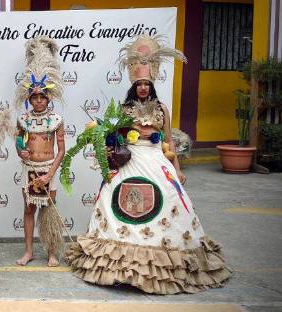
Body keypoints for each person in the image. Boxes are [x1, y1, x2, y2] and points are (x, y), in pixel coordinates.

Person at [65, 35, 231, 294]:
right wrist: (108, 152)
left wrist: (177, 169)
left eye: (146, 84)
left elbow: (168, 140)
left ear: (152, 85)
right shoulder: (124, 109)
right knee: (113, 198)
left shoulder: (162, 109)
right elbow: (115, 138)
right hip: (130, 161)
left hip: (156, 160)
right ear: (134, 86)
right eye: (139, 84)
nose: (143, 87)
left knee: (169, 200)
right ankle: (119, 266)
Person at [14, 39, 67, 267]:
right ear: (29, 99)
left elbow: (61, 150)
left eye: (42, 97)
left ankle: (52, 252)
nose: (38, 100)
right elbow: (19, 143)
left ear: (48, 98)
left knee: (48, 211)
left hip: (48, 169)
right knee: (29, 209)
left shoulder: (56, 120)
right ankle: (28, 251)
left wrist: (50, 174)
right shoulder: (23, 119)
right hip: (29, 169)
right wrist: (21, 152)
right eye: (34, 97)